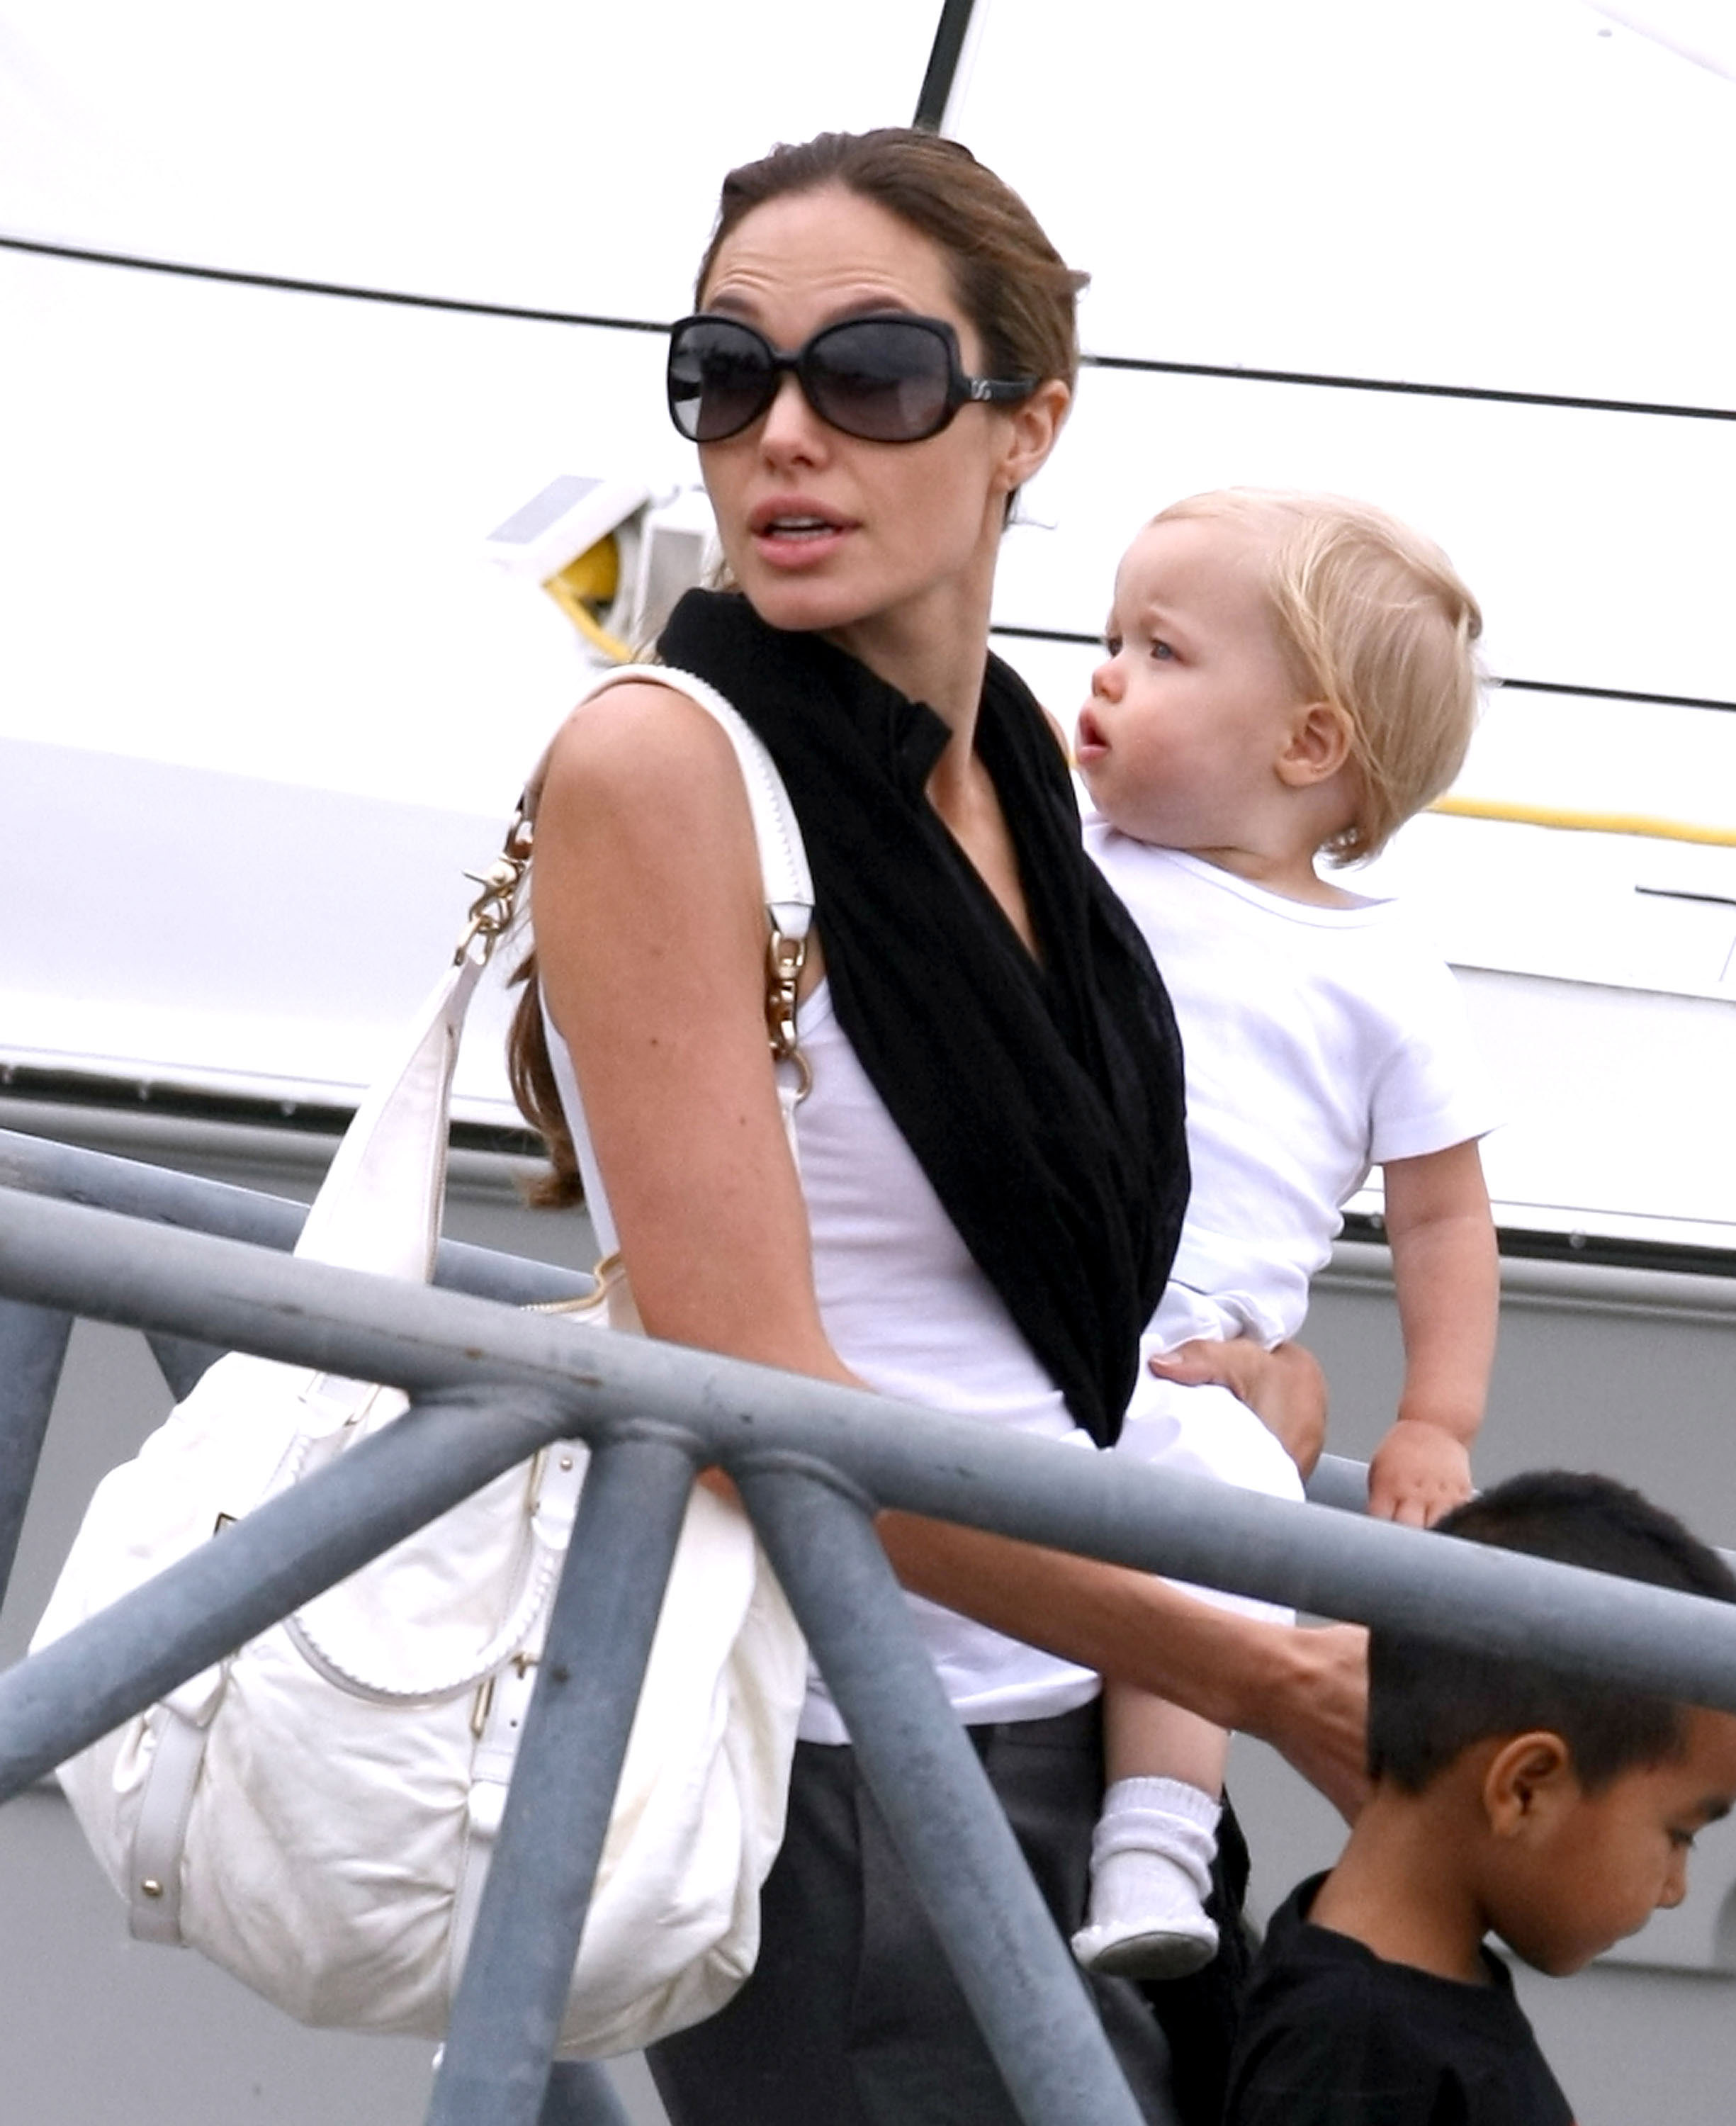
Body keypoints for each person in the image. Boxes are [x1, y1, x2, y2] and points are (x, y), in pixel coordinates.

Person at [509, 128, 1364, 2126]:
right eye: (725, 377)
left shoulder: (1011, 780)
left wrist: (1226, 1417)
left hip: (1070, 1722)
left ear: (1020, 427)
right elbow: (760, 1401)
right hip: (840, 1762)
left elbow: (1007, 1313)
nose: (783, 435)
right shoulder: (662, 764)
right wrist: (1255, 1674)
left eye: (870, 375)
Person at [1069, 490, 1501, 1981]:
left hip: (1194, 1363)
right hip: (1025, 1314)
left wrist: (1432, 1421)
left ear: (1306, 748)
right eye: (1110, 637)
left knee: (1215, 1526)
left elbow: (1442, 1216)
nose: (1107, 672)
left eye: (1161, 650)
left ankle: (1155, 1839)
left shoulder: (1380, 967)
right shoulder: (1066, 860)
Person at [1224, 1470, 1736, 2125]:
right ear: (1525, 1789)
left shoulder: (1428, 1990)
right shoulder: (1352, 2050)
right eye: (1679, 1833)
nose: (1675, 1889)